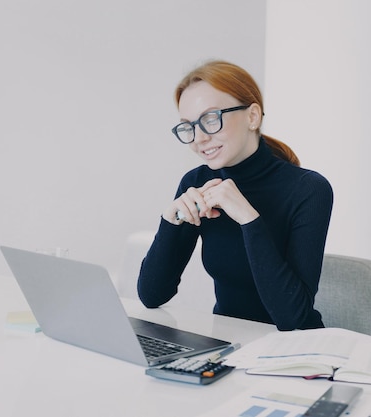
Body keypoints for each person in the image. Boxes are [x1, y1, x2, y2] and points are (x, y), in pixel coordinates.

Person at [137, 60, 333, 331]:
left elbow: (292, 318)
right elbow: (151, 295)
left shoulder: (308, 189)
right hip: (227, 344)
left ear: (252, 116)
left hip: (293, 353)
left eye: (210, 119)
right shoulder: (197, 182)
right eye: (189, 126)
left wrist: (248, 217)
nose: (199, 138)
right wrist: (170, 222)